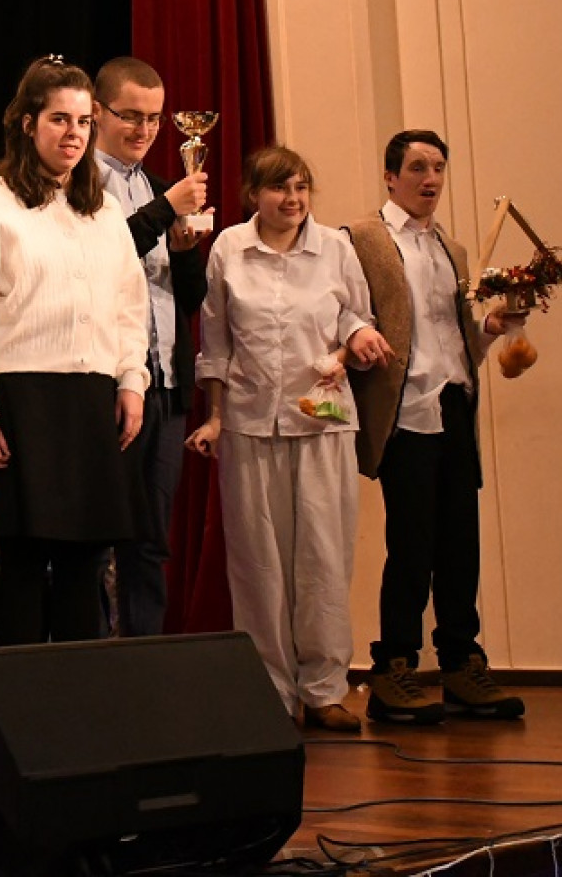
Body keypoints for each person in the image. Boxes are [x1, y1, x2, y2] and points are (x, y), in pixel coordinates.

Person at [0, 58, 150, 646]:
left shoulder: (103, 209)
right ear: (28, 123)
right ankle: (22, 696)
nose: (73, 134)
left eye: (84, 122)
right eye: (59, 119)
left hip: (91, 400)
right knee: (22, 566)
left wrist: (131, 380)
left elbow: (128, 305)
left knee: (84, 565)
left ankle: (77, 695)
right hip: (23, 400)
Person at [187, 147, 375, 730]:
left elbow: (356, 318)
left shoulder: (336, 248)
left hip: (323, 421)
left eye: (301, 188)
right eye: (279, 188)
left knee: (324, 556)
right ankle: (271, 690)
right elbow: (215, 345)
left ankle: (324, 689)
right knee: (258, 563)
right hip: (249, 422)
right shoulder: (228, 248)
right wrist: (215, 418)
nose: (292, 200)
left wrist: (355, 342)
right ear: (254, 195)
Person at [347, 129, 526, 724]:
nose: (431, 179)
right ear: (390, 176)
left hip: (454, 402)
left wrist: (493, 327)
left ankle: (460, 663)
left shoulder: (453, 248)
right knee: (412, 544)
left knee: (459, 543)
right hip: (405, 409)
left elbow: (456, 336)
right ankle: (393, 668)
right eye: (419, 167)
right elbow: (347, 312)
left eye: (439, 168)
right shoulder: (362, 239)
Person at [90, 56, 209, 637]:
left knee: (151, 541)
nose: (144, 130)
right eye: (131, 116)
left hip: (166, 386)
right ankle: (94, 663)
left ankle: (144, 662)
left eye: (155, 119)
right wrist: (167, 212)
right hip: (108, 383)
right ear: (96, 112)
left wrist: (185, 252)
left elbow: (190, 299)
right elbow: (103, 259)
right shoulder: (80, 185)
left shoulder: (160, 186)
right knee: (96, 540)